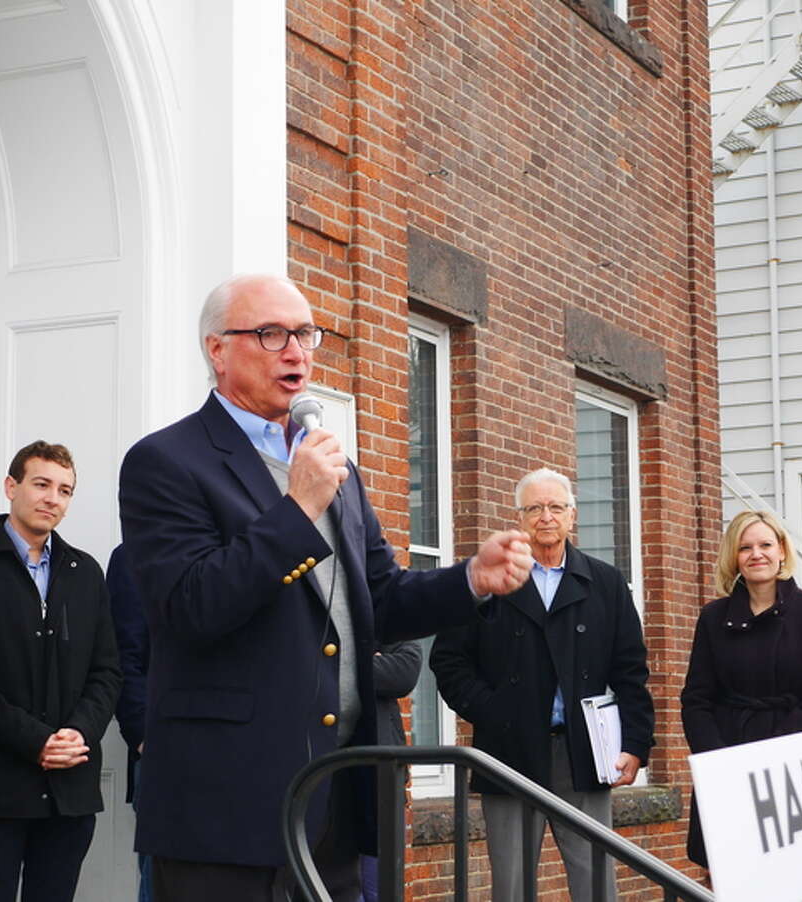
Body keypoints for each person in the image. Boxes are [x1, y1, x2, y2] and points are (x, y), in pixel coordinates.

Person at [118, 273, 534, 902]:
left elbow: (380, 600)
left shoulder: (335, 469)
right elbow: (191, 606)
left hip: (333, 791)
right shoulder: (167, 462)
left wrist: (470, 579)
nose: (296, 351)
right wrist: (297, 507)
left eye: (305, 334)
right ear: (217, 350)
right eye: (271, 333)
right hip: (227, 807)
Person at [430, 468, 654, 902]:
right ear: (520, 517)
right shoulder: (490, 580)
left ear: (573, 516)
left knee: (595, 883)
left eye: (555, 507)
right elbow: (448, 661)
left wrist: (635, 741)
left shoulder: (605, 582)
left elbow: (630, 669)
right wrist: (493, 710)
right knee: (511, 887)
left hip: (584, 751)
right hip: (509, 750)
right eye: (534, 508)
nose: (545, 517)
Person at [0, 442, 122, 902]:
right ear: (10, 486)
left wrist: (79, 732)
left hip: (70, 786)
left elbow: (107, 671)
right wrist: (35, 740)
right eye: (41, 484)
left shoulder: (85, 571)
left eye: (65, 490)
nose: (52, 498)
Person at [680, 509, 802, 868]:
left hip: (791, 764)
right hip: (726, 759)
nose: (757, 554)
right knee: (728, 871)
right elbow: (696, 699)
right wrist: (719, 762)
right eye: (745, 547)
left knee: (791, 872)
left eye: (766, 544)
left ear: (782, 550)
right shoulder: (713, 617)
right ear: (733, 557)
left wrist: (769, 759)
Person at [358, 639, 423, 902]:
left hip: (379, 777)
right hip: (328, 774)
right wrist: (370, 663)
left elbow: (405, 672)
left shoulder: (384, 612)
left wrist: (351, 665)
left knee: (379, 889)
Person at [106, 543, 153, 902]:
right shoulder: (135, 557)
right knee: (164, 883)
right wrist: (142, 738)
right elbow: (123, 655)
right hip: (165, 752)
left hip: (245, 756)